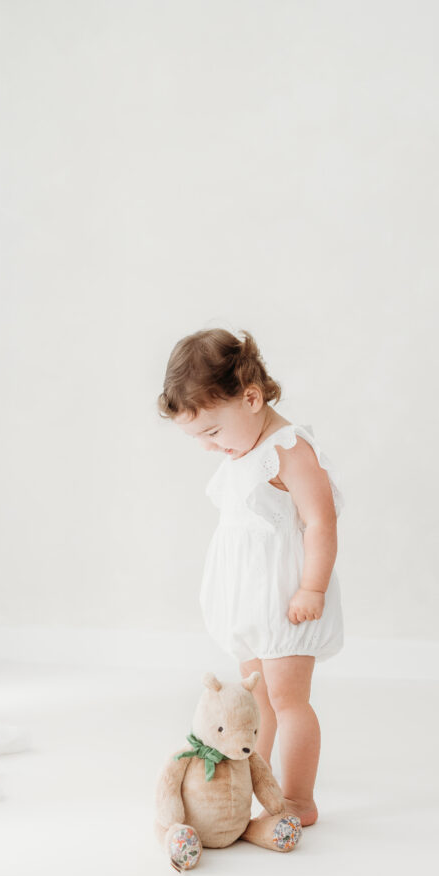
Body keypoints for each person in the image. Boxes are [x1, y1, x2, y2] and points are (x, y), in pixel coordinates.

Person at [157, 327, 344, 826]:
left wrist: (312, 588)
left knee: (288, 699)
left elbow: (322, 522)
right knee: (254, 701)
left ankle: (300, 799)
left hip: (287, 600)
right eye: (197, 438)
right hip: (249, 601)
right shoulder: (240, 451)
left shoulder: (288, 449)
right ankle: (250, 784)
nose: (208, 448)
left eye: (212, 433)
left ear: (252, 398)